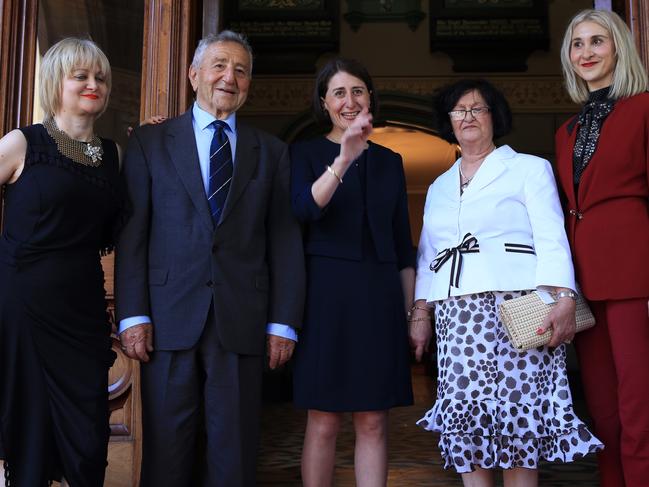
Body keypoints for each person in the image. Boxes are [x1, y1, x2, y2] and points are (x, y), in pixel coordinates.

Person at [115, 30, 305, 487]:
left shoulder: (272, 152)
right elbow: (133, 235)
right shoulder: (149, 142)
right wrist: (132, 315)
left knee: (233, 451)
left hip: (241, 319)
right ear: (193, 74)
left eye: (241, 70)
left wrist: (283, 322)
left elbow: (283, 240)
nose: (230, 77)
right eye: (220, 65)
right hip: (166, 317)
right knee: (167, 448)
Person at [409, 79, 602, 487]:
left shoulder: (529, 168)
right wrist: (420, 312)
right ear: (449, 122)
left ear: (494, 116)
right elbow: (429, 254)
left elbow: (551, 234)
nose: (468, 117)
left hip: (516, 308)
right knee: (467, 423)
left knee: (517, 422)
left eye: (477, 109)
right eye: (459, 111)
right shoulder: (439, 185)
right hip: (458, 319)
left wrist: (563, 297)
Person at [0, 38, 122, 486]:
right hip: (24, 312)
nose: (94, 84)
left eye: (101, 78)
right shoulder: (21, 143)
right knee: (30, 438)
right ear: (56, 83)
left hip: (84, 314)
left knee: (89, 442)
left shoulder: (113, 156)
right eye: (81, 76)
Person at [290, 58, 415, 487]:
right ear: (324, 102)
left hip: (379, 298)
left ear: (370, 98)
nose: (349, 101)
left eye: (358, 91)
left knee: (373, 419)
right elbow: (306, 209)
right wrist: (344, 158)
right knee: (323, 419)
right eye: (339, 93)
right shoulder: (303, 153)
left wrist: (413, 314)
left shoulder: (390, 161)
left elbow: (403, 246)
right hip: (325, 298)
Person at [555, 9, 649, 487]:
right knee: (604, 407)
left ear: (618, 49)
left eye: (597, 41)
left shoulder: (645, 108)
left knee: (639, 405)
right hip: (585, 282)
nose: (587, 52)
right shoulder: (565, 131)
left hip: (635, 273)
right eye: (578, 44)